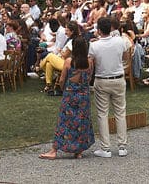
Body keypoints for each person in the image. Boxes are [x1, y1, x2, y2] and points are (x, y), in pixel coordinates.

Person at [39, 37, 94, 160]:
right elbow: (89, 77)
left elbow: (62, 79)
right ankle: (79, 150)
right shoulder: (90, 61)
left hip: (70, 94)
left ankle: (54, 149)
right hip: (84, 95)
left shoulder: (69, 61)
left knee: (65, 122)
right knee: (82, 121)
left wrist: (64, 89)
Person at [88, 16, 128, 158]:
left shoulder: (94, 46)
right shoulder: (119, 41)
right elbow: (124, 56)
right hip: (118, 78)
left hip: (102, 80)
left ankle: (106, 148)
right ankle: (122, 146)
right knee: (120, 112)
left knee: (102, 114)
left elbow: (91, 64)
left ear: (99, 30)